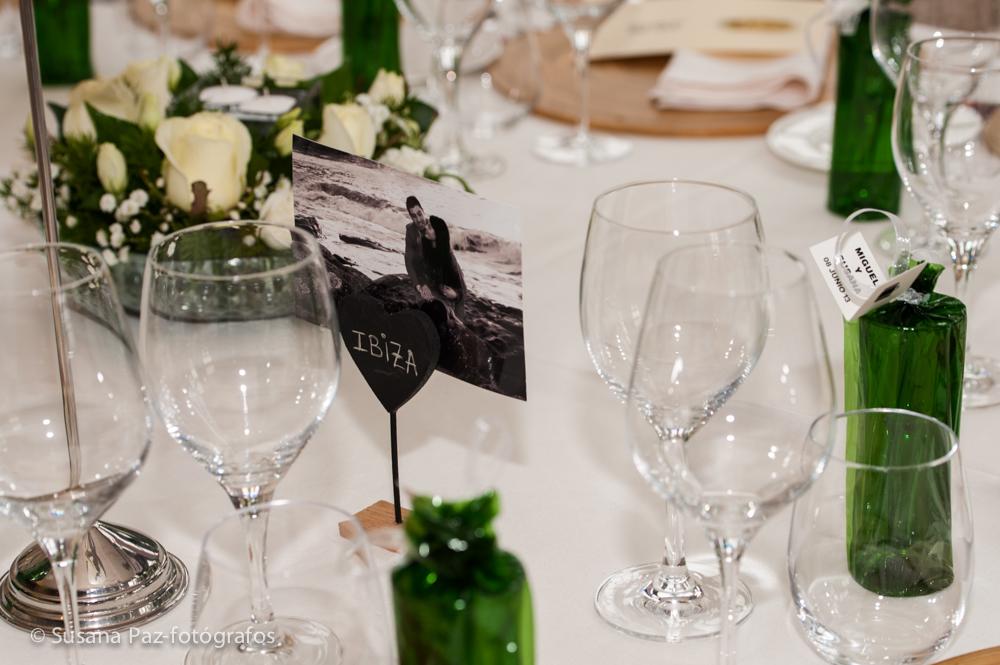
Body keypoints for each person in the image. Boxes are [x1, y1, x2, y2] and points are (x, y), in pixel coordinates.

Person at [403, 195, 466, 322]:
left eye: (419, 214)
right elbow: (409, 261)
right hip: (428, 277)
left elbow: (455, 275)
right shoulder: (411, 231)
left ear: (423, 211)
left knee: (452, 315)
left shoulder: (436, 232)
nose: (418, 219)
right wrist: (419, 286)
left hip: (443, 277)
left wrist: (457, 294)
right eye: (413, 216)